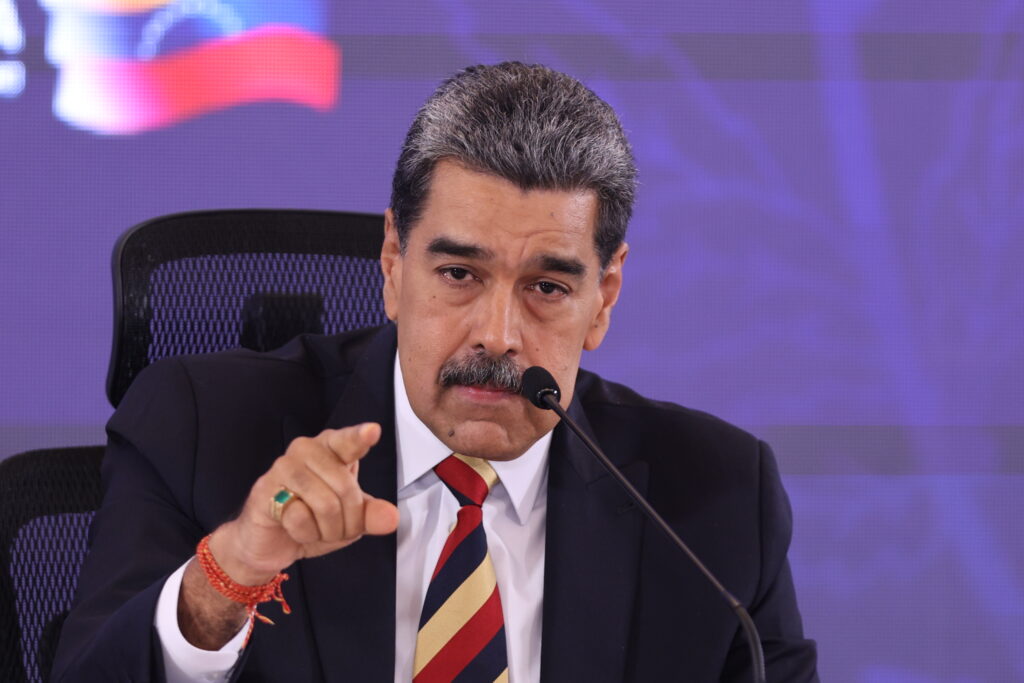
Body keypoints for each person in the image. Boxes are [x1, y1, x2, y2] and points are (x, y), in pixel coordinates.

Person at [53, 62, 818, 682]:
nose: (497, 334)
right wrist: (231, 572)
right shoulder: (203, 428)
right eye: (459, 274)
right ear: (393, 262)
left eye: (547, 288)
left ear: (603, 297)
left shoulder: (717, 500)